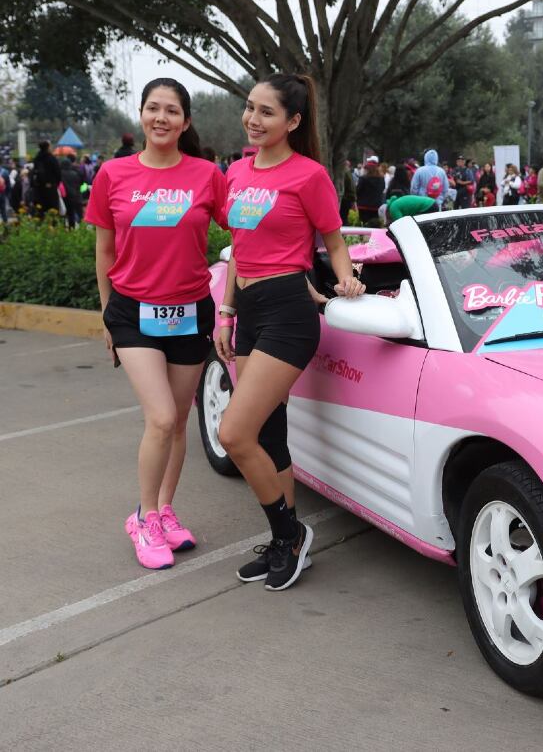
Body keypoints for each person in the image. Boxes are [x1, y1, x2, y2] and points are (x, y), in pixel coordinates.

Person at [217, 73, 365, 591]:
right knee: (266, 433)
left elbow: (334, 241)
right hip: (249, 309)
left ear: (293, 121)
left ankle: (291, 535)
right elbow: (238, 249)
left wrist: (346, 279)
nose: (253, 119)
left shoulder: (308, 175)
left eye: (267, 112)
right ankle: (284, 542)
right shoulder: (236, 172)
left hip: (287, 311)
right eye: (250, 107)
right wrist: (227, 312)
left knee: (233, 434)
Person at [86, 78, 228, 570]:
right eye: (153, 108)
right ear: (142, 114)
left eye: (171, 110)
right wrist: (107, 315)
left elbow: (244, 232)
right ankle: (143, 518)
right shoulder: (113, 174)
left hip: (190, 311)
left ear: (185, 122)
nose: (161, 117)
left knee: (180, 420)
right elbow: (105, 250)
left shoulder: (207, 175)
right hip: (133, 313)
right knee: (162, 417)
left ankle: (166, 510)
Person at [30, 141, 62, 218]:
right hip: (50, 188)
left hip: (39, 189)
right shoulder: (52, 159)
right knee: (53, 211)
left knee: (40, 211)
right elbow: (58, 173)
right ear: (48, 147)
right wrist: (55, 183)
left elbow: (34, 173)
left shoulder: (37, 158)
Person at [355, 156, 385, 225]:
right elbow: (382, 189)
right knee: (374, 225)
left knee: (364, 224)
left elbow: (358, 190)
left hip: (363, 206)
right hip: (376, 206)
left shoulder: (363, 178)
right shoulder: (381, 179)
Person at [59, 154, 85, 228]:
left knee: (63, 213)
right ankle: (72, 227)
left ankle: (63, 227)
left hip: (63, 197)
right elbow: (80, 184)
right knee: (72, 214)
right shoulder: (75, 174)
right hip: (74, 196)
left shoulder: (60, 174)